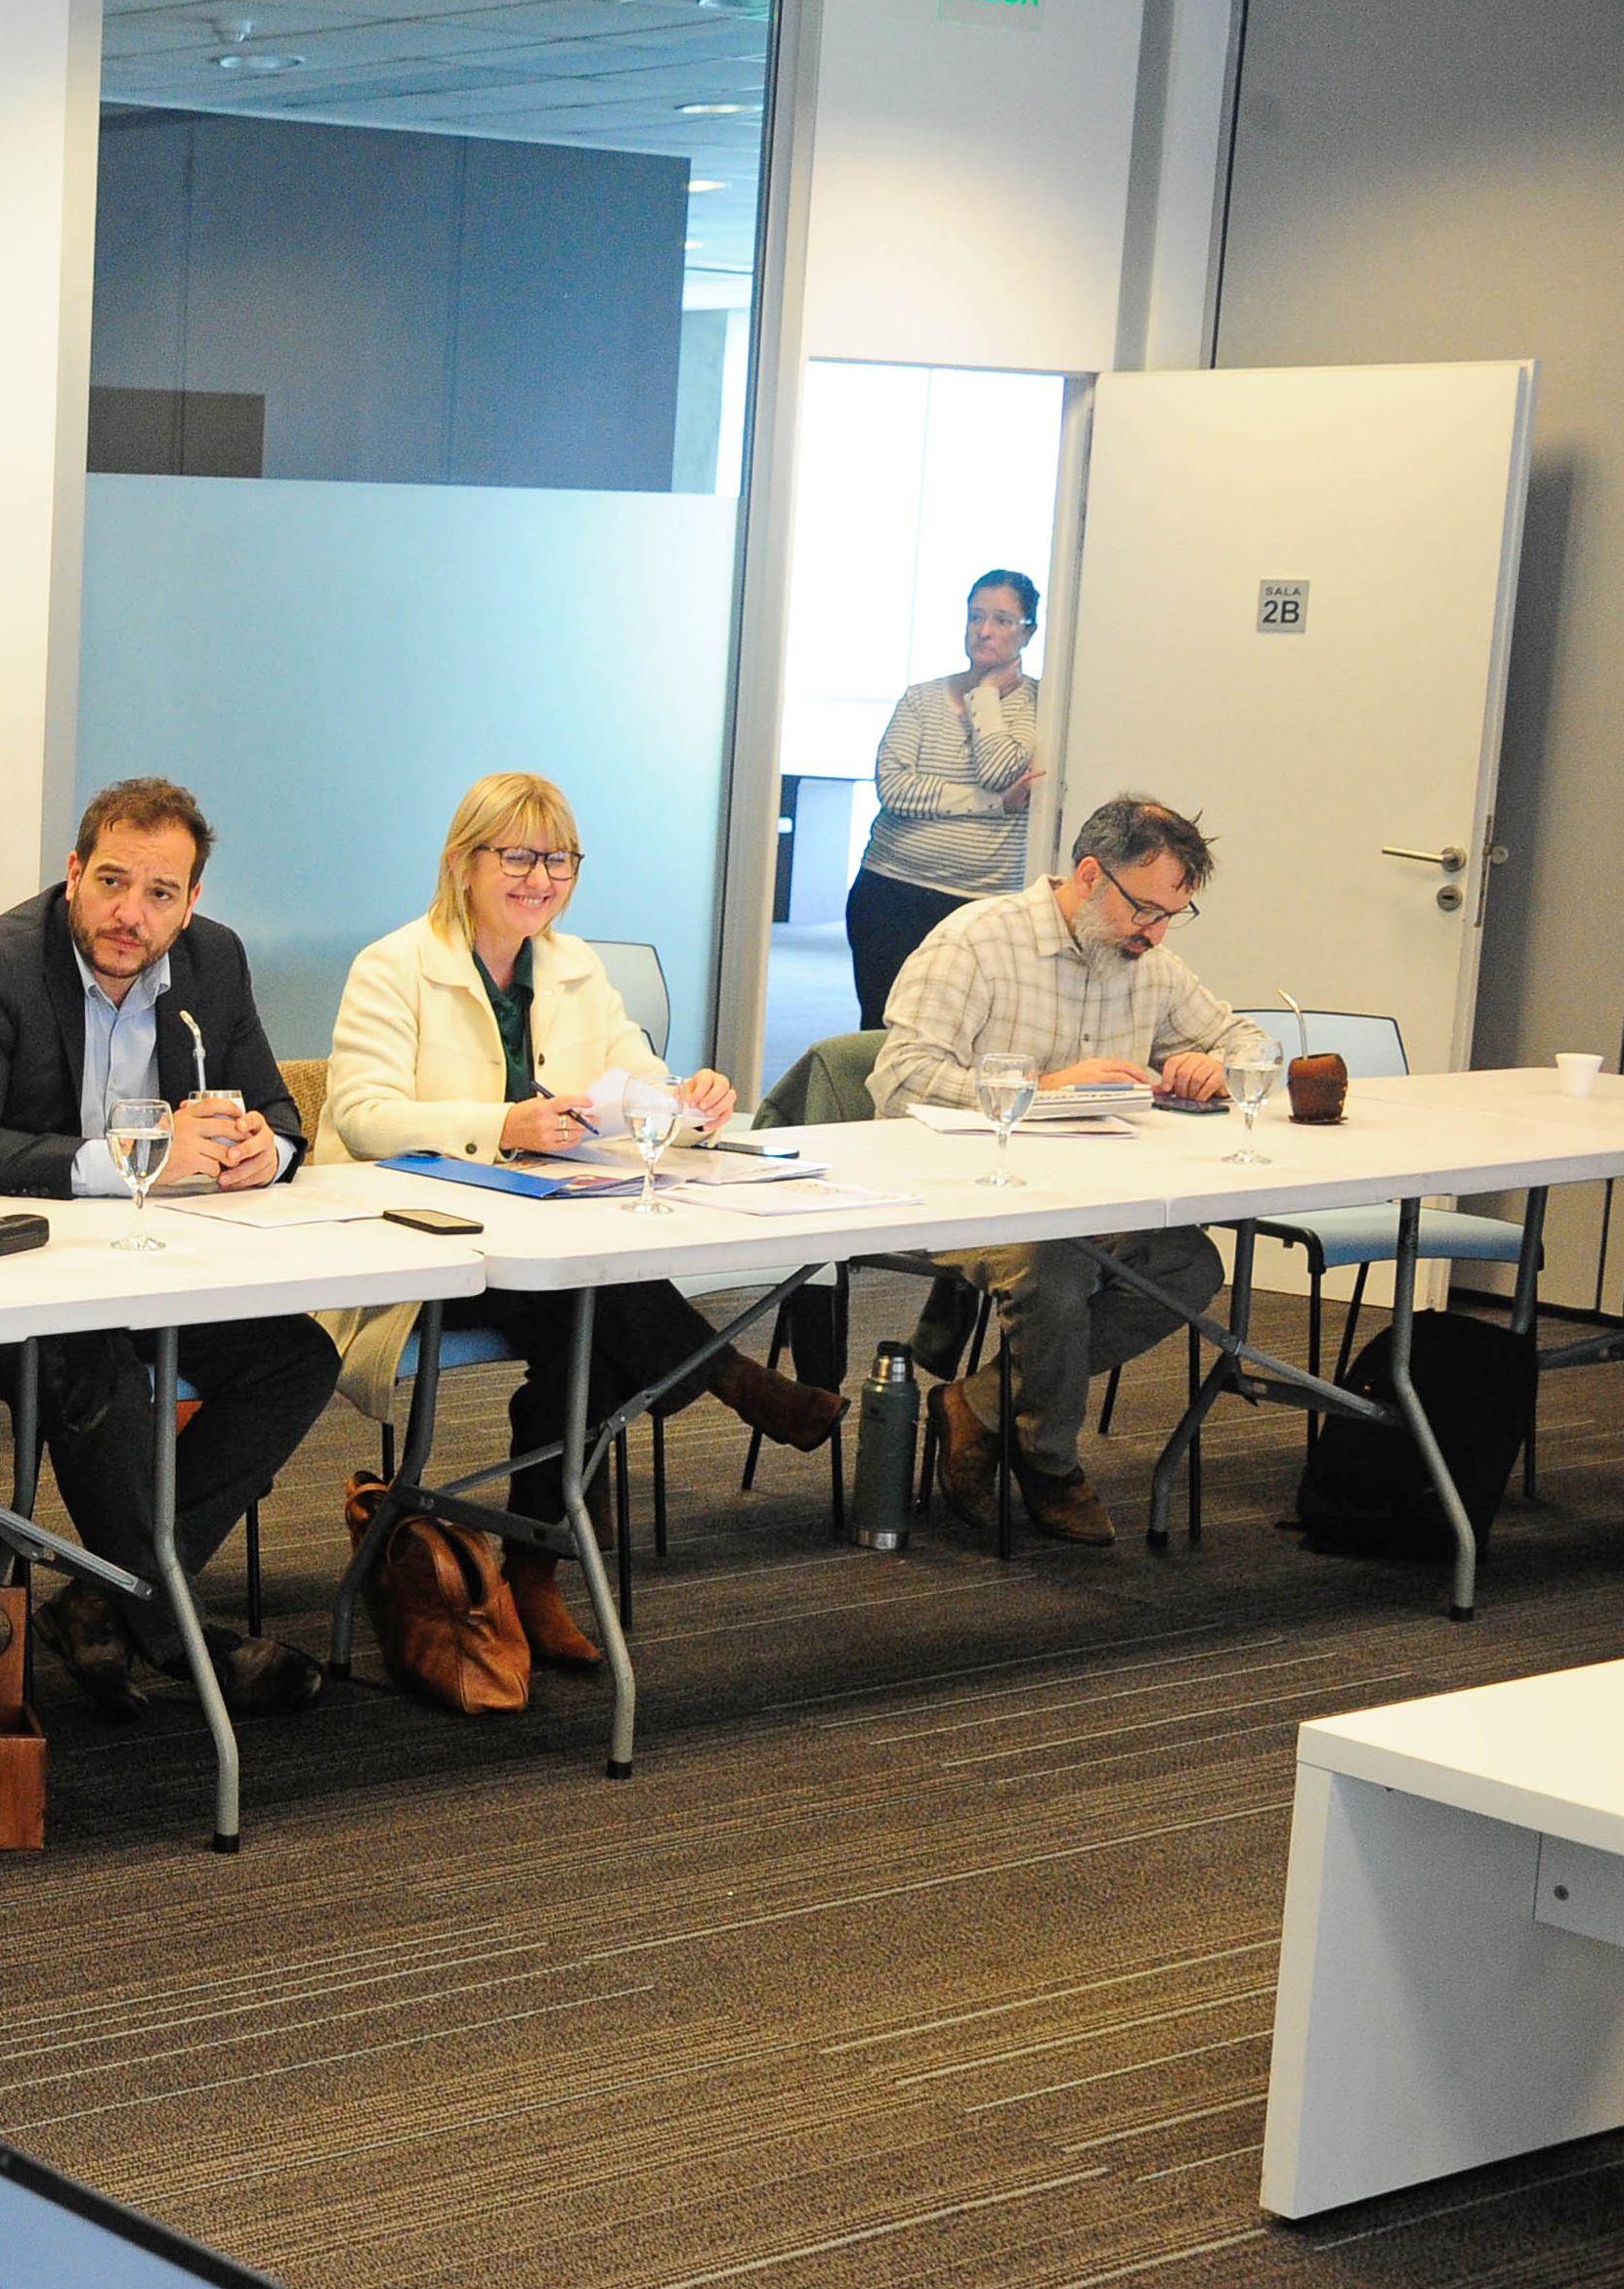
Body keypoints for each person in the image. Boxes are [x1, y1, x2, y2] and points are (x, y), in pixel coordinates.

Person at [321, 774, 848, 1666]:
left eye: (559, 858)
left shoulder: (574, 966)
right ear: (463, 862)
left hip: (549, 1231)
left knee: (585, 1329)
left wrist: (692, 1101)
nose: (542, 877)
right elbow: (363, 1115)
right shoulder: (393, 964)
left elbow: (635, 1078)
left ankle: (535, 1569)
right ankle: (722, 1383)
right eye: (519, 855)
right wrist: (501, 1123)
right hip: (421, 1237)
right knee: (594, 1307)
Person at [0, 779, 338, 1718]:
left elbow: (278, 1111)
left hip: (155, 1272)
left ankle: (104, 1595)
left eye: (160, 893)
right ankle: (181, 1631)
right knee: (97, 1363)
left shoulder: (214, 962)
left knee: (297, 1355)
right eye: (111, 881)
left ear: (191, 903)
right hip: (14, 1288)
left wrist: (269, 1151)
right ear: (72, 872)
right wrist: (128, 1161)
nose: (129, 913)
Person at [873, 798, 1269, 1544]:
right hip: (963, 1187)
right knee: (1050, 1271)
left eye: (1171, 917)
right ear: (1090, 876)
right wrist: (1043, 1087)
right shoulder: (977, 942)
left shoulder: (1149, 961)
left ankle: (979, 1404)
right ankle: (1051, 1462)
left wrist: (1211, 1061)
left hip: (1090, 1192)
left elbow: (1246, 1039)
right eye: (1145, 910)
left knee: (1186, 1266)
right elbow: (900, 1079)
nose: (1153, 935)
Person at [848, 570, 1047, 1028]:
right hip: (891, 889)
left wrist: (987, 696)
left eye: (1002, 619)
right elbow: (894, 788)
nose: (984, 631)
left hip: (983, 902)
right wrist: (993, 804)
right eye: (976, 617)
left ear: (1029, 631)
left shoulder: (1040, 704)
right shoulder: (921, 699)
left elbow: (999, 768)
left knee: (964, 1031)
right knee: (881, 1029)